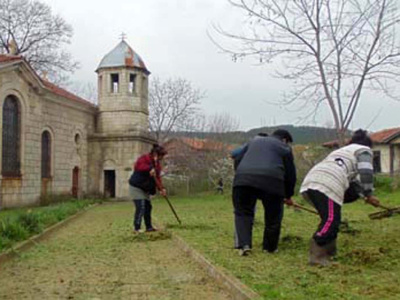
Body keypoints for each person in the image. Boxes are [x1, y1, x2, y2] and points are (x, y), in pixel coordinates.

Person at [300, 129, 380, 266]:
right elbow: (366, 172)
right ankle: (317, 253)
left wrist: (362, 194)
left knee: (330, 219)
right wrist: (369, 194)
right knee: (331, 220)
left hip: (311, 181)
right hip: (328, 184)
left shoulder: (341, 152)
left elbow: (353, 184)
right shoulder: (364, 150)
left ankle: (330, 251)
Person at [232, 129, 296, 256]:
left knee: (243, 213)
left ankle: (244, 245)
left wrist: (240, 175)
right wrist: (288, 195)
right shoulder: (284, 148)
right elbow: (290, 175)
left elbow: (237, 158)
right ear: (284, 140)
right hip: (272, 181)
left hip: (243, 180)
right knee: (273, 216)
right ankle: (269, 247)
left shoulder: (253, 142)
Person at [129, 144, 167, 233]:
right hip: (136, 187)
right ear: (155, 154)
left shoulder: (157, 165)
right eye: (161, 156)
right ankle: (137, 228)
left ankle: (149, 227)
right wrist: (149, 168)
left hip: (146, 189)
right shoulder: (144, 158)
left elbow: (157, 178)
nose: (161, 159)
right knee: (141, 207)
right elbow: (138, 166)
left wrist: (162, 189)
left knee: (148, 207)